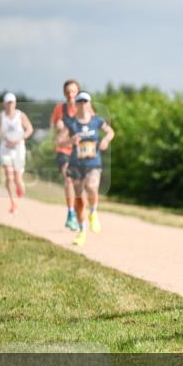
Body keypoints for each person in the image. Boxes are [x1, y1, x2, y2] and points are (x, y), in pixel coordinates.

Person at [58, 92, 115, 246]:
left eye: (85, 101)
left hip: (93, 163)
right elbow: (59, 141)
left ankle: (94, 213)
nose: (83, 104)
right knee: (79, 199)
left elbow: (110, 131)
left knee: (91, 186)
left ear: (90, 103)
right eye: (80, 101)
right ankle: (82, 231)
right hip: (76, 165)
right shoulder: (70, 123)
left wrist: (106, 139)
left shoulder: (97, 121)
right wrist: (70, 140)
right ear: (76, 104)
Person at [0, 92, 34, 214]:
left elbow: (29, 129)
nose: (10, 105)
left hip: (18, 149)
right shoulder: (0, 116)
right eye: (8, 103)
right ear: (4, 104)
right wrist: (1, 137)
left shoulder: (20, 115)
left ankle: (19, 190)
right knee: (9, 176)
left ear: (15, 103)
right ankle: (13, 202)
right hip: (5, 148)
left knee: (17, 177)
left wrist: (20, 139)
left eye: (12, 102)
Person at [51, 79, 81, 230]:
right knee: (68, 179)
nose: (70, 94)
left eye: (73, 91)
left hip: (80, 151)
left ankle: (78, 213)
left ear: (78, 92)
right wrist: (58, 127)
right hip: (63, 150)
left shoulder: (84, 108)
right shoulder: (59, 109)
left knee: (78, 185)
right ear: (64, 93)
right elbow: (55, 130)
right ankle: (70, 215)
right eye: (68, 91)